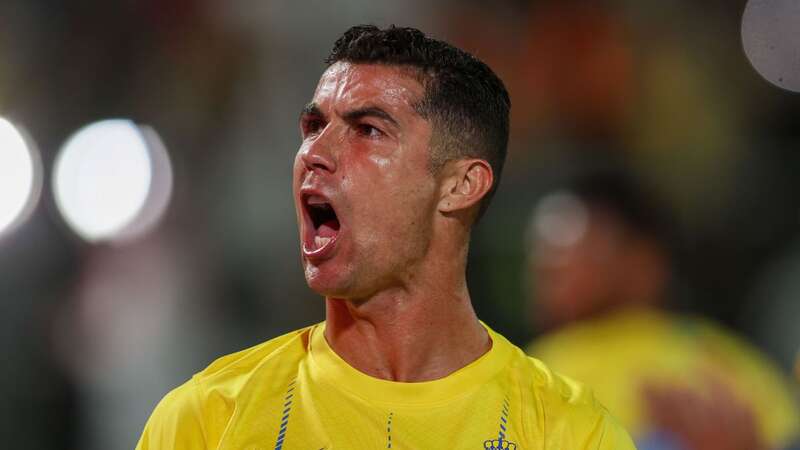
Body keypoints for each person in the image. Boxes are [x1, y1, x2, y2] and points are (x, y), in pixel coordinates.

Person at [136, 25, 635, 449]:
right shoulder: (207, 420)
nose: (315, 151)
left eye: (368, 130)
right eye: (314, 125)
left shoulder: (567, 432)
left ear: (461, 185)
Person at [524, 170, 800, 450]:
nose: (548, 269)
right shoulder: (738, 363)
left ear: (644, 263)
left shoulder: (538, 373)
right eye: (543, 260)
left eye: (574, 255)